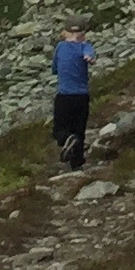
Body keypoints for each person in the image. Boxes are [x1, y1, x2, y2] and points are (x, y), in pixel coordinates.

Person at [50, 22, 92, 169]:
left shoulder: (60, 47)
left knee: (59, 130)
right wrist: (87, 58)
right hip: (82, 96)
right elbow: (90, 56)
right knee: (79, 130)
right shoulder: (85, 46)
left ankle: (67, 139)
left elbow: (54, 69)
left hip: (64, 95)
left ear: (65, 33)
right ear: (82, 34)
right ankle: (77, 163)